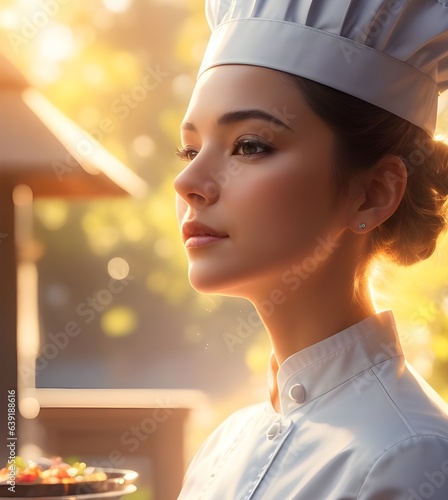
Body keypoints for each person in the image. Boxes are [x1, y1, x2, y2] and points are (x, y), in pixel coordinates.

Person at [174, 1, 448, 498]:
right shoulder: (221, 452)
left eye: (249, 145)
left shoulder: (411, 458)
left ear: (374, 193)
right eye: (191, 149)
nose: (187, 181)